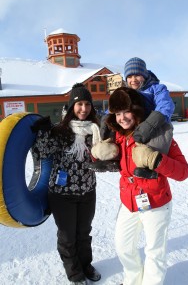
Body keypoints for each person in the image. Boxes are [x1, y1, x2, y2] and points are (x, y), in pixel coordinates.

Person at [91, 86, 188, 285]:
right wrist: (98, 152)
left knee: (154, 251)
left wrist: (156, 160)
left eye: (126, 111)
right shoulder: (117, 136)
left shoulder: (159, 135)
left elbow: (183, 172)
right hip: (129, 202)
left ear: (136, 109)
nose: (122, 118)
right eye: (117, 113)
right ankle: (132, 280)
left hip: (157, 201)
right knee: (124, 247)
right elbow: (99, 157)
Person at [31, 83, 102, 285]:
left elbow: (103, 154)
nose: (84, 109)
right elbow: (42, 153)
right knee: (67, 236)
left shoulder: (94, 130)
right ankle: (74, 273)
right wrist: (43, 132)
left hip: (88, 190)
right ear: (72, 106)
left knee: (84, 233)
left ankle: (86, 265)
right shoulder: (60, 130)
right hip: (62, 195)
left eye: (87, 104)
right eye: (79, 104)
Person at [89, 57, 175, 178]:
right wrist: (107, 117)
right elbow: (117, 106)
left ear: (144, 75)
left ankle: (150, 167)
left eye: (137, 75)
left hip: (156, 125)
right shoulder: (127, 92)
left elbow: (165, 106)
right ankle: (110, 159)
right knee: (112, 127)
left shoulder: (156, 89)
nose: (133, 80)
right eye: (129, 76)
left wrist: (151, 123)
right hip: (137, 126)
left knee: (158, 140)